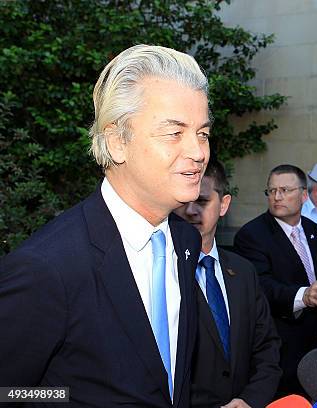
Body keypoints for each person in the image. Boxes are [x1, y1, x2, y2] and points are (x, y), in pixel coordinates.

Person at [0, 45, 208, 406]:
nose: (198, 152)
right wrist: (73, 398)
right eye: (174, 133)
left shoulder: (187, 241)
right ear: (117, 142)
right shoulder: (47, 268)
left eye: (202, 133)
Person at [175, 159, 282, 408]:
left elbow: (267, 347)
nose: (191, 210)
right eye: (183, 201)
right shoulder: (161, 272)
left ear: (223, 205)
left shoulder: (243, 271)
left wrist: (249, 400)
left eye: (202, 201)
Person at [233, 164, 317, 397]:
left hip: (315, 346)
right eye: (271, 191)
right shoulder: (252, 235)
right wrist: (303, 295)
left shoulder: (312, 230)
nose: (277, 197)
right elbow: (261, 287)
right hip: (279, 348)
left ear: (304, 195)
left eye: (285, 190)